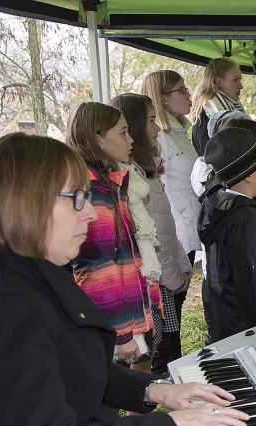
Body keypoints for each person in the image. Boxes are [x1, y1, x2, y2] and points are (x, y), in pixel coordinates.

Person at [0, 133, 249, 426]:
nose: (91, 214)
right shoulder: (4, 306)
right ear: (28, 202)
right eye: (78, 199)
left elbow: (70, 366)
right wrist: (178, 425)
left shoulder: (28, 271)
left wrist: (153, 390)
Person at [110, 93, 193, 376]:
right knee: (147, 359)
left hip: (163, 276)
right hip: (151, 282)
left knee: (162, 349)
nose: (157, 128)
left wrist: (181, 264)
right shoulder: (129, 179)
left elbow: (166, 223)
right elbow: (147, 237)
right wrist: (172, 274)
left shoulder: (149, 171)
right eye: (150, 120)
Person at [66, 102, 153, 365]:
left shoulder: (102, 181)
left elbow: (125, 252)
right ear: (98, 140)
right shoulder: (92, 188)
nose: (131, 139)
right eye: (123, 133)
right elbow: (97, 268)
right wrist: (121, 334)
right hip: (107, 324)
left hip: (113, 317)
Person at [197, 128, 256, 342]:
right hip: (251, 330)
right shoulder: (246, 221)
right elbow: (255, 286)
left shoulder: (221, 206)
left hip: (231, 323)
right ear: (247, 175)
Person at [141, 70, 201, 358]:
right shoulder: (162, 137)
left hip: (181, 234)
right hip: (171, 234)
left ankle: (169, 367)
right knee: (167, 317)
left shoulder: (180, 132)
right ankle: (163, 371)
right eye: (181, 90)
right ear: (162, 98)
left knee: (174, 312)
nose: (188, 94)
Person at [189, 58, 246, 156]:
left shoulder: (231, 107)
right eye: (235, 80)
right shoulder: (207, 114)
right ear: (218, 81)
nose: (241, 86)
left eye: (239, 80)